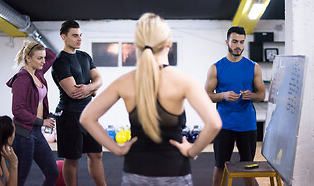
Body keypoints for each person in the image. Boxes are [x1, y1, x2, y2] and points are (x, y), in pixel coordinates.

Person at [80, 12, 222, 186]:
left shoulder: (124, 82)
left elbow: (87, 118)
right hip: (175, 172)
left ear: (138, 44)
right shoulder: (184, 80)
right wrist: (192, 150)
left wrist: (117, 149)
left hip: (135, 172)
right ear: (168, 42)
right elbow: (214, 123)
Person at [205, 26, 265, 186]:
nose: (238, 46)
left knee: (248, 166)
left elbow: (261, 95)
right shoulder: (216, 68)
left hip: (247, 124)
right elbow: (207, 95)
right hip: (224, 124)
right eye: (235, 42)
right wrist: (223, 95)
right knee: (220, 166)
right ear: (227, 42)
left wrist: (251, 95)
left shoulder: (254, 67)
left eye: (241, 42)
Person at [51, 20, 106, 186]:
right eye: (75, 35)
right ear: (64, 37)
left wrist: (89, 87)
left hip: (89, 113)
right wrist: (92, 89)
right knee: (72, 158)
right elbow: (74, 93)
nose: (79, 39)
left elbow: (99, 80)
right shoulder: (60, 62)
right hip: (70, 114)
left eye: (80, 35)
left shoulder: (85, 56)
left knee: (96, 154)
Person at [6, 41, 59, 186]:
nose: (43, 61)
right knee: (19, 178)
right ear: (28, 58)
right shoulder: (21, 80)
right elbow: (17, 111)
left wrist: (33, 45)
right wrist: (42, 121)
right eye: (39, 58)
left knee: (53, 172)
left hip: (36, 132)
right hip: (23, 134)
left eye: (43, 57)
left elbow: (52, 56)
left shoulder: (38, 73)